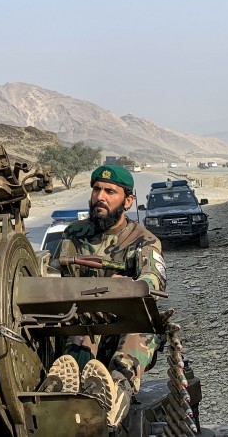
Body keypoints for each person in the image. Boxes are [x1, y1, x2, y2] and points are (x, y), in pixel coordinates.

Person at [42, 164, 166, 428]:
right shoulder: (74, 234)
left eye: (110, 191)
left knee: (142, 328)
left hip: (124, 328)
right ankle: (66, 389)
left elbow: (152, 281)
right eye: (97, 189)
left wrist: (126, 287)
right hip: (84, 326)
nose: (100, 197)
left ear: (128, 200)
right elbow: (52, 277)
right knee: (80, 327)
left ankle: (117, 391)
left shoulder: (144, 240)